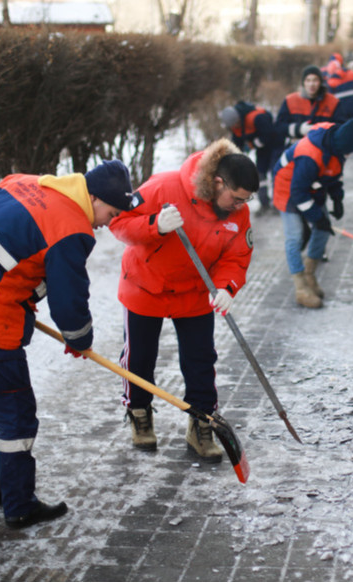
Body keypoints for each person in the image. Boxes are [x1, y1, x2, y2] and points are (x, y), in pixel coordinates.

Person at [0, 160, 134, 528]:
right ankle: (20, 505)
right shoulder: (73, 228)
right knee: (14, 411)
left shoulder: (23, 182)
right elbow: (69, 299)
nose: (106, 223)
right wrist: (79, 339)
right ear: (92, 197)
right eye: (109, 213)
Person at [109, 139, 259, 463]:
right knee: (139, 358)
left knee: (201, 360)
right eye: (235, 198)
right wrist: (155, 226)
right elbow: (119, 223)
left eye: (244, 201)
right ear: (218, 182)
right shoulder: (164, 187)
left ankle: (201, 424)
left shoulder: (239, 212)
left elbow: (237, 256)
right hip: (145, 286)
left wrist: (226, 288)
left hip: (193, 291)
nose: (239, 206)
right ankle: (139, 413)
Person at [273, 119, 353, 308]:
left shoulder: (336, 146)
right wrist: (318, 217)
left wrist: (337, 198)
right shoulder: (310, 156)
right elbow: (298, 194)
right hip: (288, 189)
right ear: (346, 146)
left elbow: (334, 174)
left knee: (323, 231)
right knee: (294, 237)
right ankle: (301, 287)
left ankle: (310, 275)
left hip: (311, 187)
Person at [219, 101, 282, 215]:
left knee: (275, 173)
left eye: (236, 125)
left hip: (275, 145)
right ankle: (264, 204)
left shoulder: (257, 117)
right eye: (232, 127)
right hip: (262, 149)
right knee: (260, 175)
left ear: (239, 119)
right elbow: (237, 143)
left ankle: (278, 204)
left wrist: (252, 145)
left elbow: (269, 135)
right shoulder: (234, 126)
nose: (235, 127)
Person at [274, 65, 347, 146]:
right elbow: (279, 126)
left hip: (323, 150)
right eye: (308, 80)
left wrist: (320, 132)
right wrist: (299, 129)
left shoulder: (333, 102)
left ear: (320, 82)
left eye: (315, 80)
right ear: (303, 83)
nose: (311, 84)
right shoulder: (290, 100)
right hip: (296, 149)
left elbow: (341, 127)